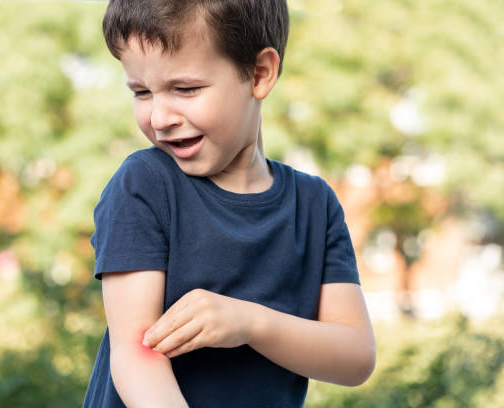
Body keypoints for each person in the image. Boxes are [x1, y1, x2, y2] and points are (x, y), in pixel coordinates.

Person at [82, 1, 376, 407]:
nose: (161, 116)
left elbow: (355, 357)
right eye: (142, 92)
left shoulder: (315, 205)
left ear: (260, 74)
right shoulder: (145, 185)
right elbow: (135, 352)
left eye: (186, 89)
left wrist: (250, 322)